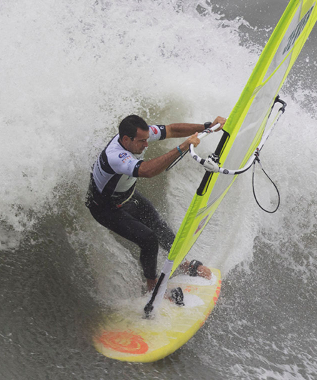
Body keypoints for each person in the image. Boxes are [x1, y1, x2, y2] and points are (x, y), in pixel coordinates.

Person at [86, 114, 224, 297]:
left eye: (146, 139)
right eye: (142, 141)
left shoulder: (137, 136)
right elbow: (147, 171)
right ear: (126, 139)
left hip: (126, 197)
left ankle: (184, 265)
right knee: (149, 239)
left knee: (158, 224)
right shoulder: (115, 156)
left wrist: (207, 126)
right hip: (104, 208)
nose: (146, 144)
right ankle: (152, 288)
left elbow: (172, 129)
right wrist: (183, 147)